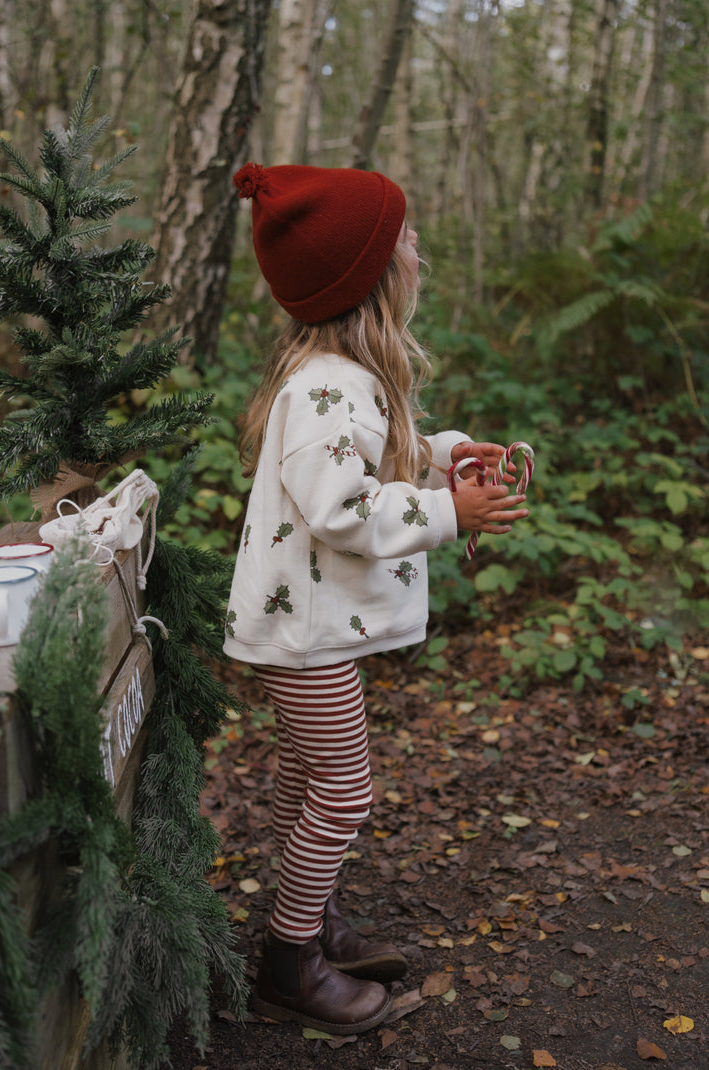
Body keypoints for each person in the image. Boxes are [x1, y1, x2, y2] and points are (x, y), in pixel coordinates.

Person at [224, 162, 530, 1035]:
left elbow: (375, 453)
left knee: (305, 775)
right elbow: (340, 504)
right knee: (346, 789)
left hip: (306, 625)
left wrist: (446, 456)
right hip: (305, 631)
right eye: (406, 238)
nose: (418, 248)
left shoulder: (340, 377)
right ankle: (289, 962)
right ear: (367, 274)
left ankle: (304, 917)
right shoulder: (323, 387)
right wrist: (448, 510)